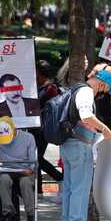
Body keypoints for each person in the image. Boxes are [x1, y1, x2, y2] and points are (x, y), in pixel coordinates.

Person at [60, 68, 111, 221]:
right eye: (107, 86)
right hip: (79, 145)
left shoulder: (77, 88)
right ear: (102, 82)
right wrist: (105, 130)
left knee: (69, 189)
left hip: (69, 144)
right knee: (80, 190)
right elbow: (86, 116)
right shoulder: (86, 92)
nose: (105, 91)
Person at [0, 116, 37, 221]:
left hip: (25, 172)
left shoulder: (28, 138)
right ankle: (8, 216)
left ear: (14, 130)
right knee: (3, 180)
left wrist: (30, 169)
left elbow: (33, 162)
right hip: (7, 172)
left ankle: (31, 217)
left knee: (25, 183)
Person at [32, 60, 63, 196]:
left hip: (43, 128)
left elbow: (38, 103)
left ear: (41, 73)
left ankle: (60, 177)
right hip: (35, 127)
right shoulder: (40, 86)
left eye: (36, 73)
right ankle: (38, 190)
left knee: (36, 158)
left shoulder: (50, 88)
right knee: (35, 159)